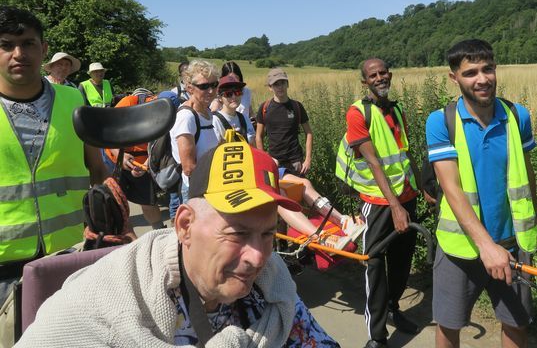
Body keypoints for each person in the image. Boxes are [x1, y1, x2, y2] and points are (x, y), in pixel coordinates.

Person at [16, 139, 341, 347]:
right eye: (238, 233)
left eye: (268, 234)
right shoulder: (98, 308)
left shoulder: (273, 288)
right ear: (185, 225)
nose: (257, 257)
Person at [425, 39, 537, 348]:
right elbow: (452, 188)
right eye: (470, 72)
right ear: (454, 77)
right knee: (449, 324)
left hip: (513, 242)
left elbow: (526, 173)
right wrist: (486, 246)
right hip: (460, 246)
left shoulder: (517, 116)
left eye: (488, 69)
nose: (482, 79)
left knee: (516, 322)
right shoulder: (442, 122)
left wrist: (535, 215)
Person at [0, 6, 106, 306]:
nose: (18, 53)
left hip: (68, 258)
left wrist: (109, 224)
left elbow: (97, 168)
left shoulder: (73, 100)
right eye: (6, 45)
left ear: (43, 49)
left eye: (28, 43)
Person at [213, 74, 361, 250]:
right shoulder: (216, 121)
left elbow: (252, 149)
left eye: (237, 92)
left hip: (257, 171)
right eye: (228, 94)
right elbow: (215, 159)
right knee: (280, 193)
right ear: (220, 96)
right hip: (236, 178)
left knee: (304, 183)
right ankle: (320, 237)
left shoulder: (243, 118)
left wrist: (266, 160)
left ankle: (342, 220)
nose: (233, 97)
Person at [335, 58, 421, 348]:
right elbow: (372, 161)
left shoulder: (397, 109)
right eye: (373, 75)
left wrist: (420, 186)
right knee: (374, 263)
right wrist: (394, 205)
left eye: (383, 73)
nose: (380, 77)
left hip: (406, 197)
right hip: (379, 202)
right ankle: (377, 335)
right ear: (365, 81)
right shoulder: (357, 113)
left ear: (390, 75)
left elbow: (404, 152)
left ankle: (394, 308)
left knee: (402, 260)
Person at [104, 88, 173, 229]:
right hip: (118, 161)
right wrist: (120, 156)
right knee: (115, 201)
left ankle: (158, 231)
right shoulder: (127, 103)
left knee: (148, 201)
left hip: (142, 164)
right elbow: (107, 132)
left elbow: (160, 146)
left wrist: (146, 166)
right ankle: (116, 233)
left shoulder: (164, 112)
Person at [170, 59, 222, 206]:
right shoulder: (186, 117)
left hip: (210, 186)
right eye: (204, 86)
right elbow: (189, 168)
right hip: (197, 190)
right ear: (189, 88)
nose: (211, 91)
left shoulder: (206, 112)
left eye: (214, 85)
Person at [256, 67, 312, 177]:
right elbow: (259, 136)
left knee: (297, 192)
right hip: (274, 162)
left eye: (282, 83)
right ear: (270, 87)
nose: (280, 87)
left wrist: (308, 159)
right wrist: (264, 159)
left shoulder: (297, 106)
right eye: (276, 84)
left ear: (288, 84)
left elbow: (309, 133)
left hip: (295, 162)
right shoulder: (264, 108)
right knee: (276, 193)